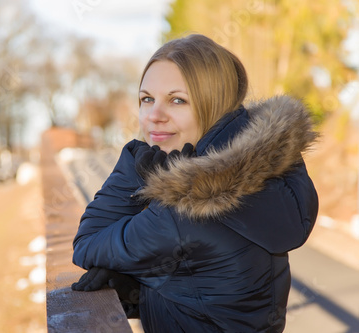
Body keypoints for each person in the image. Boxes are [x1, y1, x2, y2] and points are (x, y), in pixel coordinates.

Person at [71, 33, 319, 332]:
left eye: (177, 100)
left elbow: (87, 243)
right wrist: (137, 288)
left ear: (213, 105)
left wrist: (137, 167)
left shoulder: (191, 204)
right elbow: (202, 287)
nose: (154, 116)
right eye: (147, 99)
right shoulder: (260, 179)